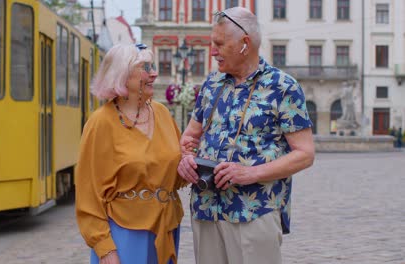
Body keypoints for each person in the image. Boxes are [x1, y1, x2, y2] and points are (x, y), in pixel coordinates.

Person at [178, 7, 315, 264]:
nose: (213, 51)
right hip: (207, 211)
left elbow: (305, 155)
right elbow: (189, 137)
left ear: (245, 44)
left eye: (219, 44)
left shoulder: (282, 87)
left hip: (254, 213)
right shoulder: (211, 84)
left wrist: (248, 173)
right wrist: (185, 158)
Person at [75, 44, 193, 264]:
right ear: (122, 74)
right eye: (146, 67)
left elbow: (174, 174)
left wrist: (188, 163)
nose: (154, 73)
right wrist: (105, 249)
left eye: (153, 65)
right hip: (124, 231)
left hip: (166, 226)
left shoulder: (163, 113)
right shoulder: (101, 123)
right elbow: (88, 192)